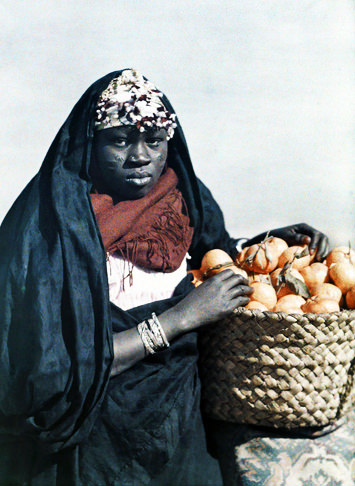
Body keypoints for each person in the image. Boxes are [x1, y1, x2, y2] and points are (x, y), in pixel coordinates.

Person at [0, 69, 329, 486]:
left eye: (154, 140)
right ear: (90, 143)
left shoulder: (182, 196)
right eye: (119, 140)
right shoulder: (52, 225)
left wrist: (263, 245)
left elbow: (216, 254)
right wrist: (179, 320)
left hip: (177, 430)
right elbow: (53, 372)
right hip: (92, 443)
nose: (139, 156)